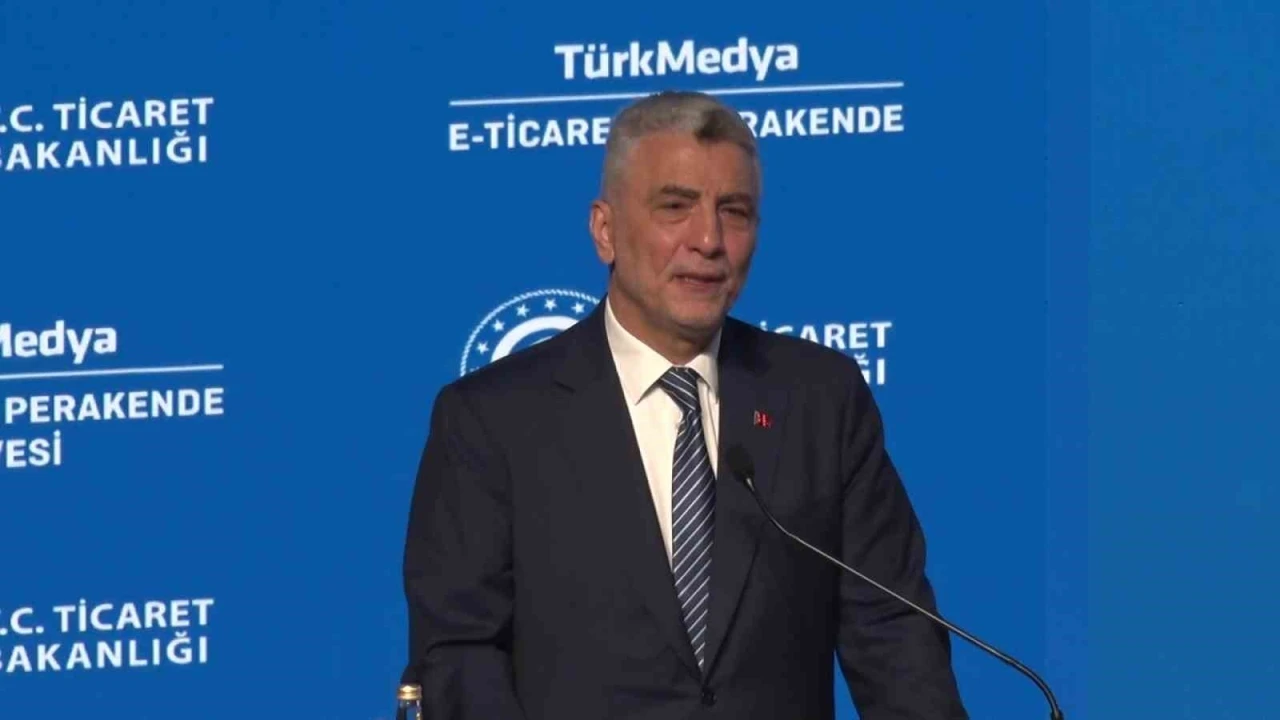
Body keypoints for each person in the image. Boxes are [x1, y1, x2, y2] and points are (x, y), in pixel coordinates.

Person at [400, 90, 968, 719]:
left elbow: (893, 633)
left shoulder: (820, 399)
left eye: (735, 211)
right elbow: (462, 652)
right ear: (605, 231)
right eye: (675, 206)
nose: (708, 239)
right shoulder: (492, 420)